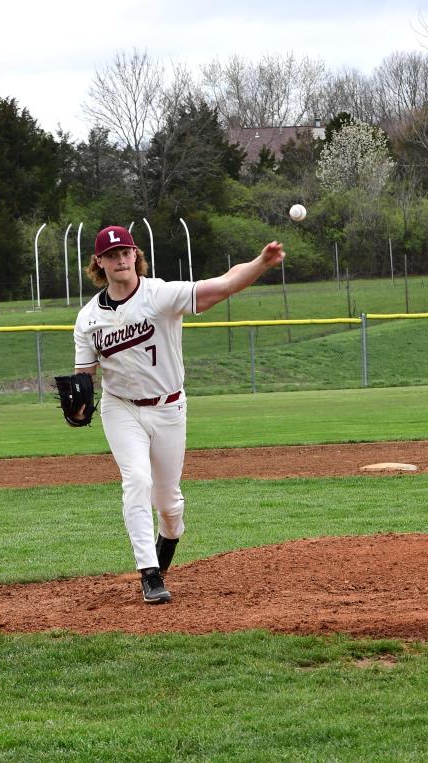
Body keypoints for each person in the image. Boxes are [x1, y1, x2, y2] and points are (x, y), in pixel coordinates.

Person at [68, 225, 285, 603]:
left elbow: (222, 285)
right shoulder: (88, 318)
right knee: (136, 480)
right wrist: (80, 400)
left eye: (126, 252)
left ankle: (165, 548)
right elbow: (84, 374)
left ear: (135, 256)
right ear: (98, 263)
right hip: (120, 408)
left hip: (169, 407)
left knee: (169, 504)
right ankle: (149, 573)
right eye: (112, 255)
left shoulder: (160, 294)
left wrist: (261, 264)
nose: (120, 259)